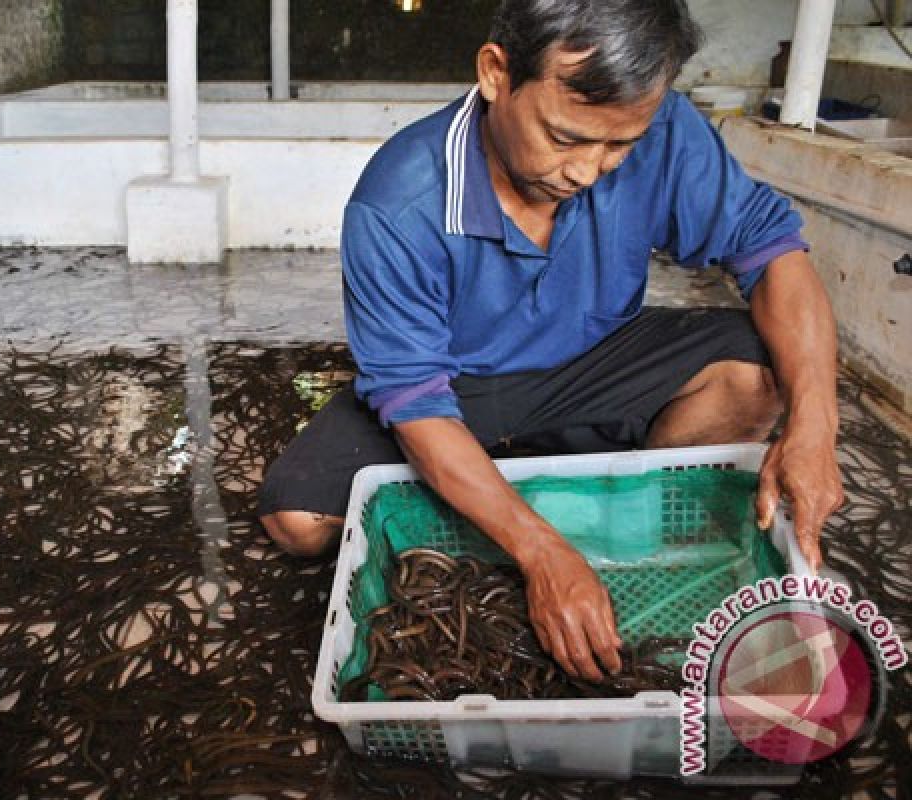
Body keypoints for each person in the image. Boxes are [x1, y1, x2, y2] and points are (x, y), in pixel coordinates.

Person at [258, 0, 844, 684]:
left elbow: (774, 253)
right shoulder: (398, 202)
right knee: (297, 522)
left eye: (618, 145)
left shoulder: (663, 130)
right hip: (455, 389)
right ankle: (543, 497)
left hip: (592, 361)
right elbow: (414, 400)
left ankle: (634, 522)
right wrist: (541, 553)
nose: (589, 170)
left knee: (758, 373)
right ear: (496, 73)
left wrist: (817, 424)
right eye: (565, 138)